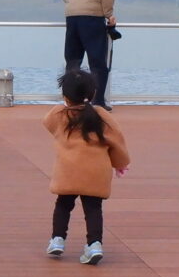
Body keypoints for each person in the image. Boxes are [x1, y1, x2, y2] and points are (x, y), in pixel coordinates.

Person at [44, 68, 129, 266]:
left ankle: (57, 240)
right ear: (92, 93)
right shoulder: (101, 116)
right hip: (95, 172)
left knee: (63, 205)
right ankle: (94, 245)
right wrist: (120, 163)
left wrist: (64, 105)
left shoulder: (59, 115)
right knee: (93, 208)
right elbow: (117, 140)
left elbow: (47, 122)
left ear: (65, 95)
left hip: (68, 171)